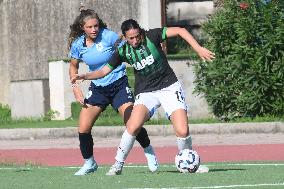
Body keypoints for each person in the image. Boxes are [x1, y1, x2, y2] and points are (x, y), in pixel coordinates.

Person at [71, 19, 215, 175]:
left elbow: (181, 30)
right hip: (146, 92)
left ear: (140, 32)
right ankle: (117, 165)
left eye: (137, 36)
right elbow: (104, 71)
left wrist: (198, 48)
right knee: (132, 126)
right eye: (130, 38)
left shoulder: (152, 36)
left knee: (182, 130)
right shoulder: (122, 51)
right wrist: (86, 75)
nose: (134, 41)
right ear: (125, 38)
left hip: (169, 87)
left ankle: (189, 162)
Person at [68, 10, 158, 176]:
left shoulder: (108, 36)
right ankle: (89, 163)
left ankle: (149, 151)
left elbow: (128, 46)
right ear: (83, 28)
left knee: (132, 123)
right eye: (90, 27)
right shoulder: (78, 45)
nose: (94, 29)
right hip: (97, 88)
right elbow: (73, 66)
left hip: (118, 85)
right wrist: (76, 89)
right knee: (83, 127)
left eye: (96, 25)